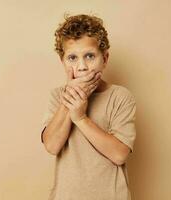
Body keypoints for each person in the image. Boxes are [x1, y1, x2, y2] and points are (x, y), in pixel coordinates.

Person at [40, 13, 137, 200]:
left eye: (90, 56)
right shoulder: (57, 97)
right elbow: (51, 146)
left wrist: (81, 118)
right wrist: (68, 102)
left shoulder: (120, 97)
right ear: (63, 62)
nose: (82, 66)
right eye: (72, 58)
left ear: (105, 58)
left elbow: (119, 155)